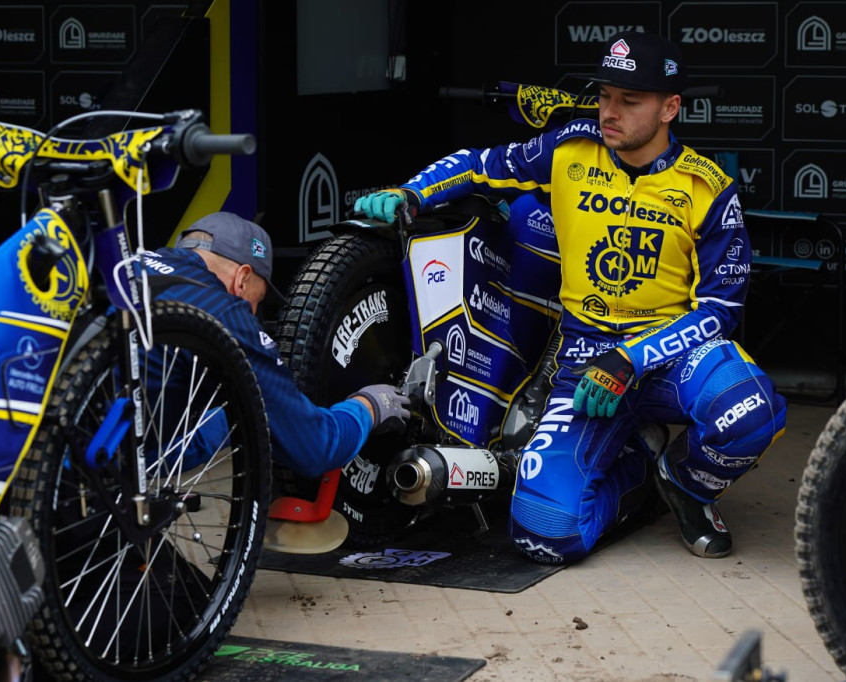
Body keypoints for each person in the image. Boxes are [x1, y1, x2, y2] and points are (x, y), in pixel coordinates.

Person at [352, 31, 787, 563]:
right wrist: (411, 192)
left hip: (671, 356)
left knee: (750, 409)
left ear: (670, 107)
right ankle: (639, 465)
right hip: (584, 359)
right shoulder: (569, 147)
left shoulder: (708, 187)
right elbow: (480, 163)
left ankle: (688, 485)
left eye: (630, 101)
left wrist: (632, 358)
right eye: (605, 95)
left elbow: (721, 309)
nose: (611, 111)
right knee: (543, 532)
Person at [141, 211, 410, 479]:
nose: (253, 313)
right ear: (242, 279)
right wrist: (369, 407)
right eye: (256, 302)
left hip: (110, 450)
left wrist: (233, 419)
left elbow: (152, 451)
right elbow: (315, 447)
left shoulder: (128, 264)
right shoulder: (223, 311)